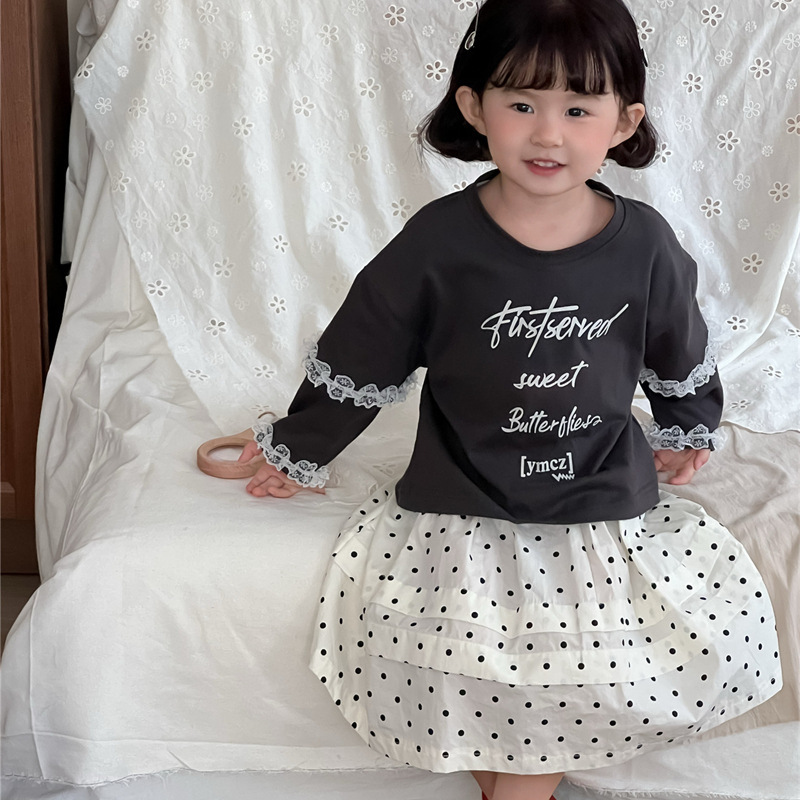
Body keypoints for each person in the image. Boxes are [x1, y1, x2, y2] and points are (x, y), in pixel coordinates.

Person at [235, 1, 782, 797]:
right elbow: (364, 347)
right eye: (522, 104)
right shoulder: (437, 242)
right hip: (464, 494)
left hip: (594, 496)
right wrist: (298, 447)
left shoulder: (645, 245)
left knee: (558, 674)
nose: (547, 134)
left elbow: (679, 346)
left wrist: (686, 428)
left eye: (578, 109)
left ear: (624, 122)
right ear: (474, 107)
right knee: (478, 667)